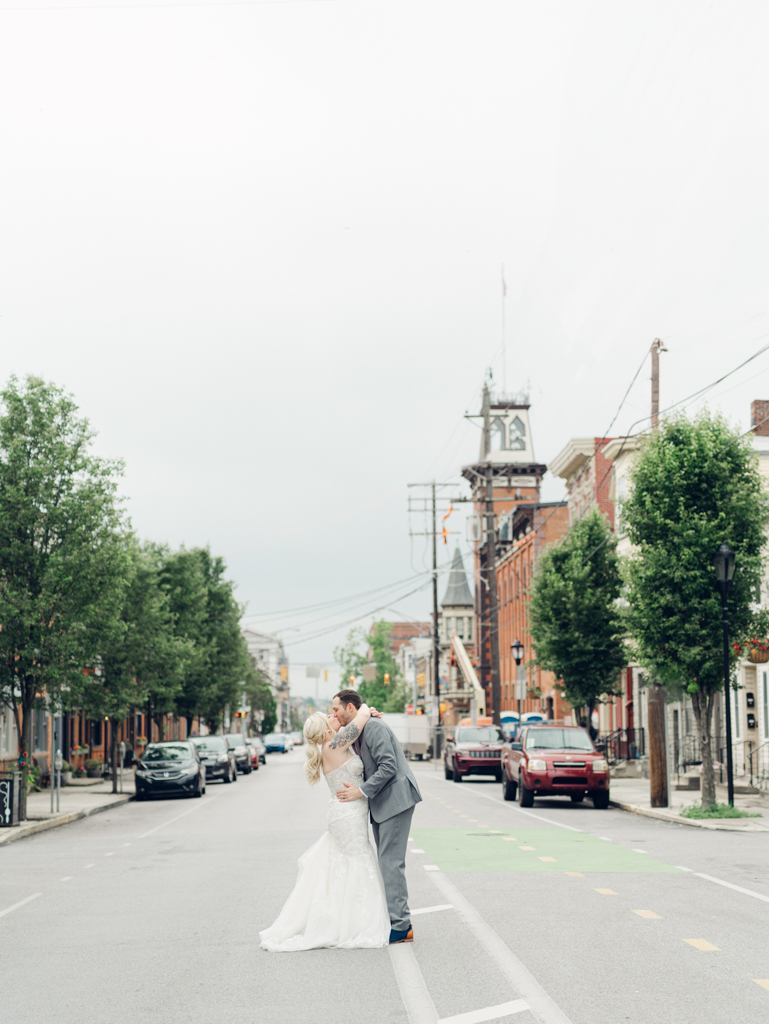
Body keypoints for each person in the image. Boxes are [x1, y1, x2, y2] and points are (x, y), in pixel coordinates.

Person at [259, 701, 390, 952]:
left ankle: (347, 917)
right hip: (347, 813)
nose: (334, 715)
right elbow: (360, 714)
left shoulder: (333, 744)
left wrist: (364, 715)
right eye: (329, 715)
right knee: (355, 861)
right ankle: (354, 923)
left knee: (345, 862)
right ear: (326, 729)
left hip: (347, 811)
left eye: (333, 712)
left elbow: (358, 721)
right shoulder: (335, 744)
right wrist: (367, 710)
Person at [332, 689, 422, 944]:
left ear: (351, 708)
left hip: (396, 800)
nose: (334, 714)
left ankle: (402, 926)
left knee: (391, 863)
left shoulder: (373, 728)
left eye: (337, 709)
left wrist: (361, 791)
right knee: (387, 862)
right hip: (382, 804)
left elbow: (388, 766)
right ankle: (397, 919)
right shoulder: (358, 729)